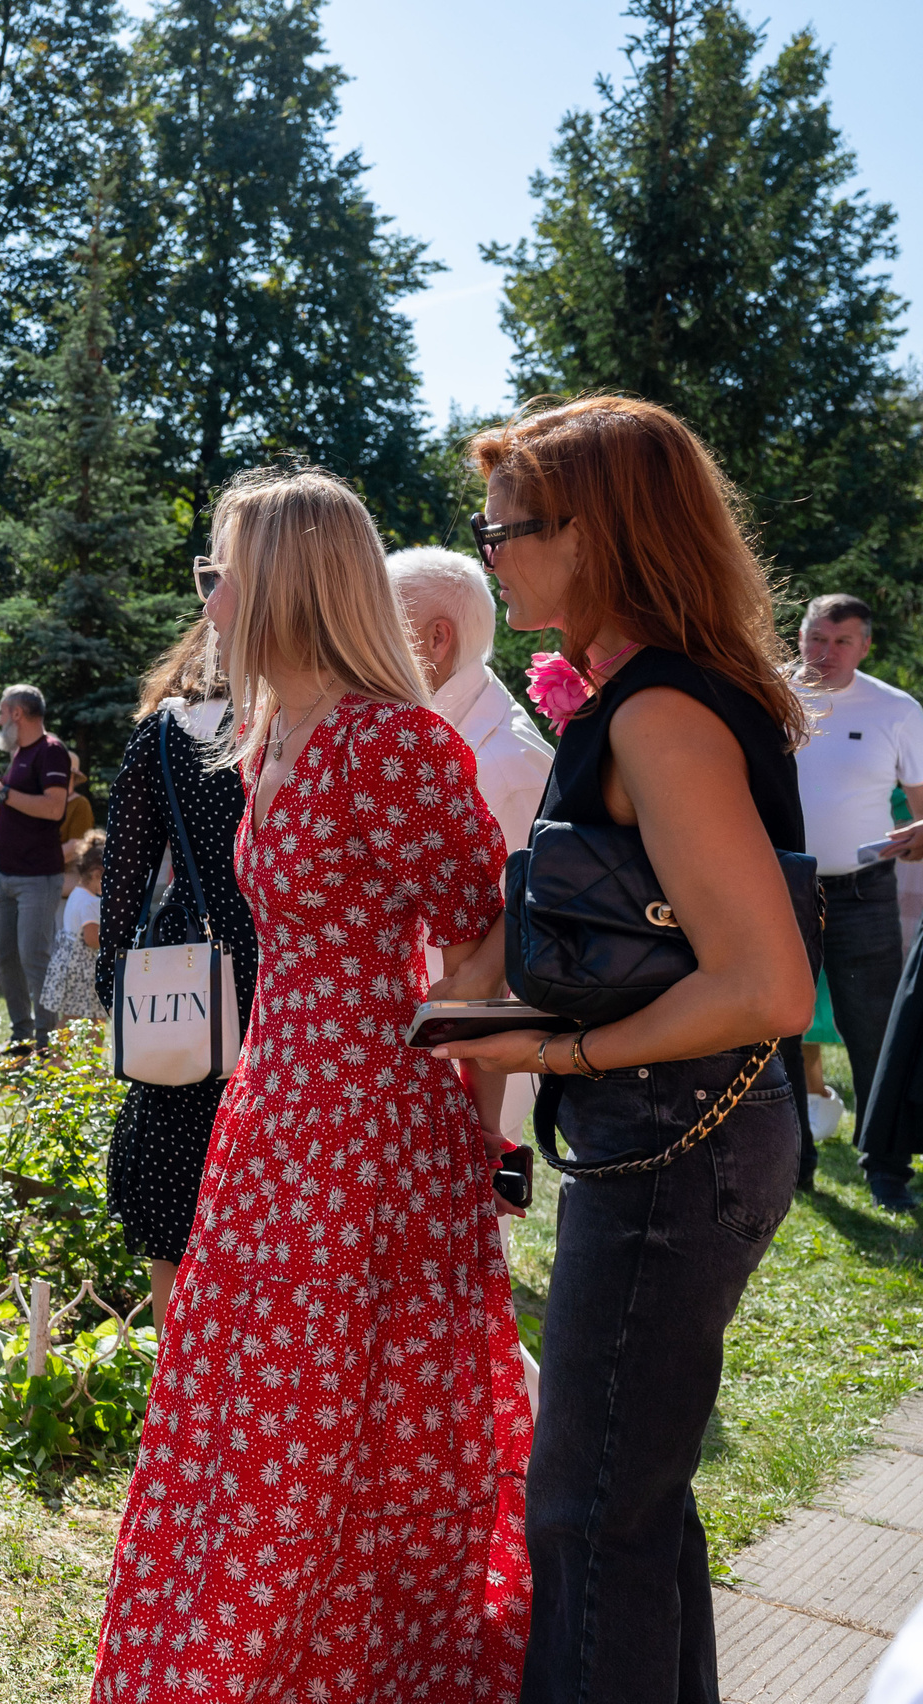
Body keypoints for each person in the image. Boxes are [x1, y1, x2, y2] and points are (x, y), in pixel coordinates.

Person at [90, 466, 532, 1701]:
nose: (208, 597)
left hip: (368, 1124)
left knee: (344, 1417)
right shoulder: (273, 727)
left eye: (219, 570)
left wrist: (464, 1120)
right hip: (272, 1104)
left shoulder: (394, 742)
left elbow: (480, 931)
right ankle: (243, 1656)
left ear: (283, 580)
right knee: (258, 1406)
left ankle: (342, 1664)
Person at [429, 396, 813, 1703]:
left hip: (673, 1142)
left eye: (506, 528)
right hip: (682, 1136)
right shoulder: (657, 697)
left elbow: (766, 984)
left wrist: (564, 1058)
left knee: (588, 1515)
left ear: (594, 535)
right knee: (630, 1505)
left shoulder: (658, 716)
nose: (491, 553)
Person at [91, 620, 257, 1329]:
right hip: (285, 961)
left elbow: (122, 880)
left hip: (191, 970)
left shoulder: (165, 734)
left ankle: (177, 1393)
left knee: (176, 1214)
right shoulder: (296, 724)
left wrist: (117, 982)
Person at [389, 544, 559, 1144]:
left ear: (437, 639)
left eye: (383, 624)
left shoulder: (502, 760)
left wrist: (485, 1121)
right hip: (434, 1038)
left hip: (475, 1060)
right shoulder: (439, 731)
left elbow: (520, 932)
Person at [774, 592, 923, 1203]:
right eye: (815, 637)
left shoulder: (897, 709)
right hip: (778, 888)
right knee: (776, 1027)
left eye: (841, 641)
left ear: (865, 646)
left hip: (863, 890)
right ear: (800, 635)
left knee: (875, 1032)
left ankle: (886, 1168)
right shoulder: (765, 694)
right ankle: (788, 1164)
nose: (825, 652)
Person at [0, 684, 75, 1049]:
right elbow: (17, 809)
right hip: (5, 875)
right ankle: (21, 1035)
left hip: (37, 877)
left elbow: (53, 808)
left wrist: (1, 793)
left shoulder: (51, 752)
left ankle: (47, 1042)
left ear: (17, 713)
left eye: (2, 713)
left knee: (34, 957)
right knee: (4, 956)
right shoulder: (20, 753)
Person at [37, 829, 106, 1025]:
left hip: (69, 966)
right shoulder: (91, 903)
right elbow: (92, 940)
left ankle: (57, 1055)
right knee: (96, 1017)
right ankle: (93, 1055)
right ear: (96, 874)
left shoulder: (76, 893)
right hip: (84, 971)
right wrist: (113, 942)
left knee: (69, 1017)